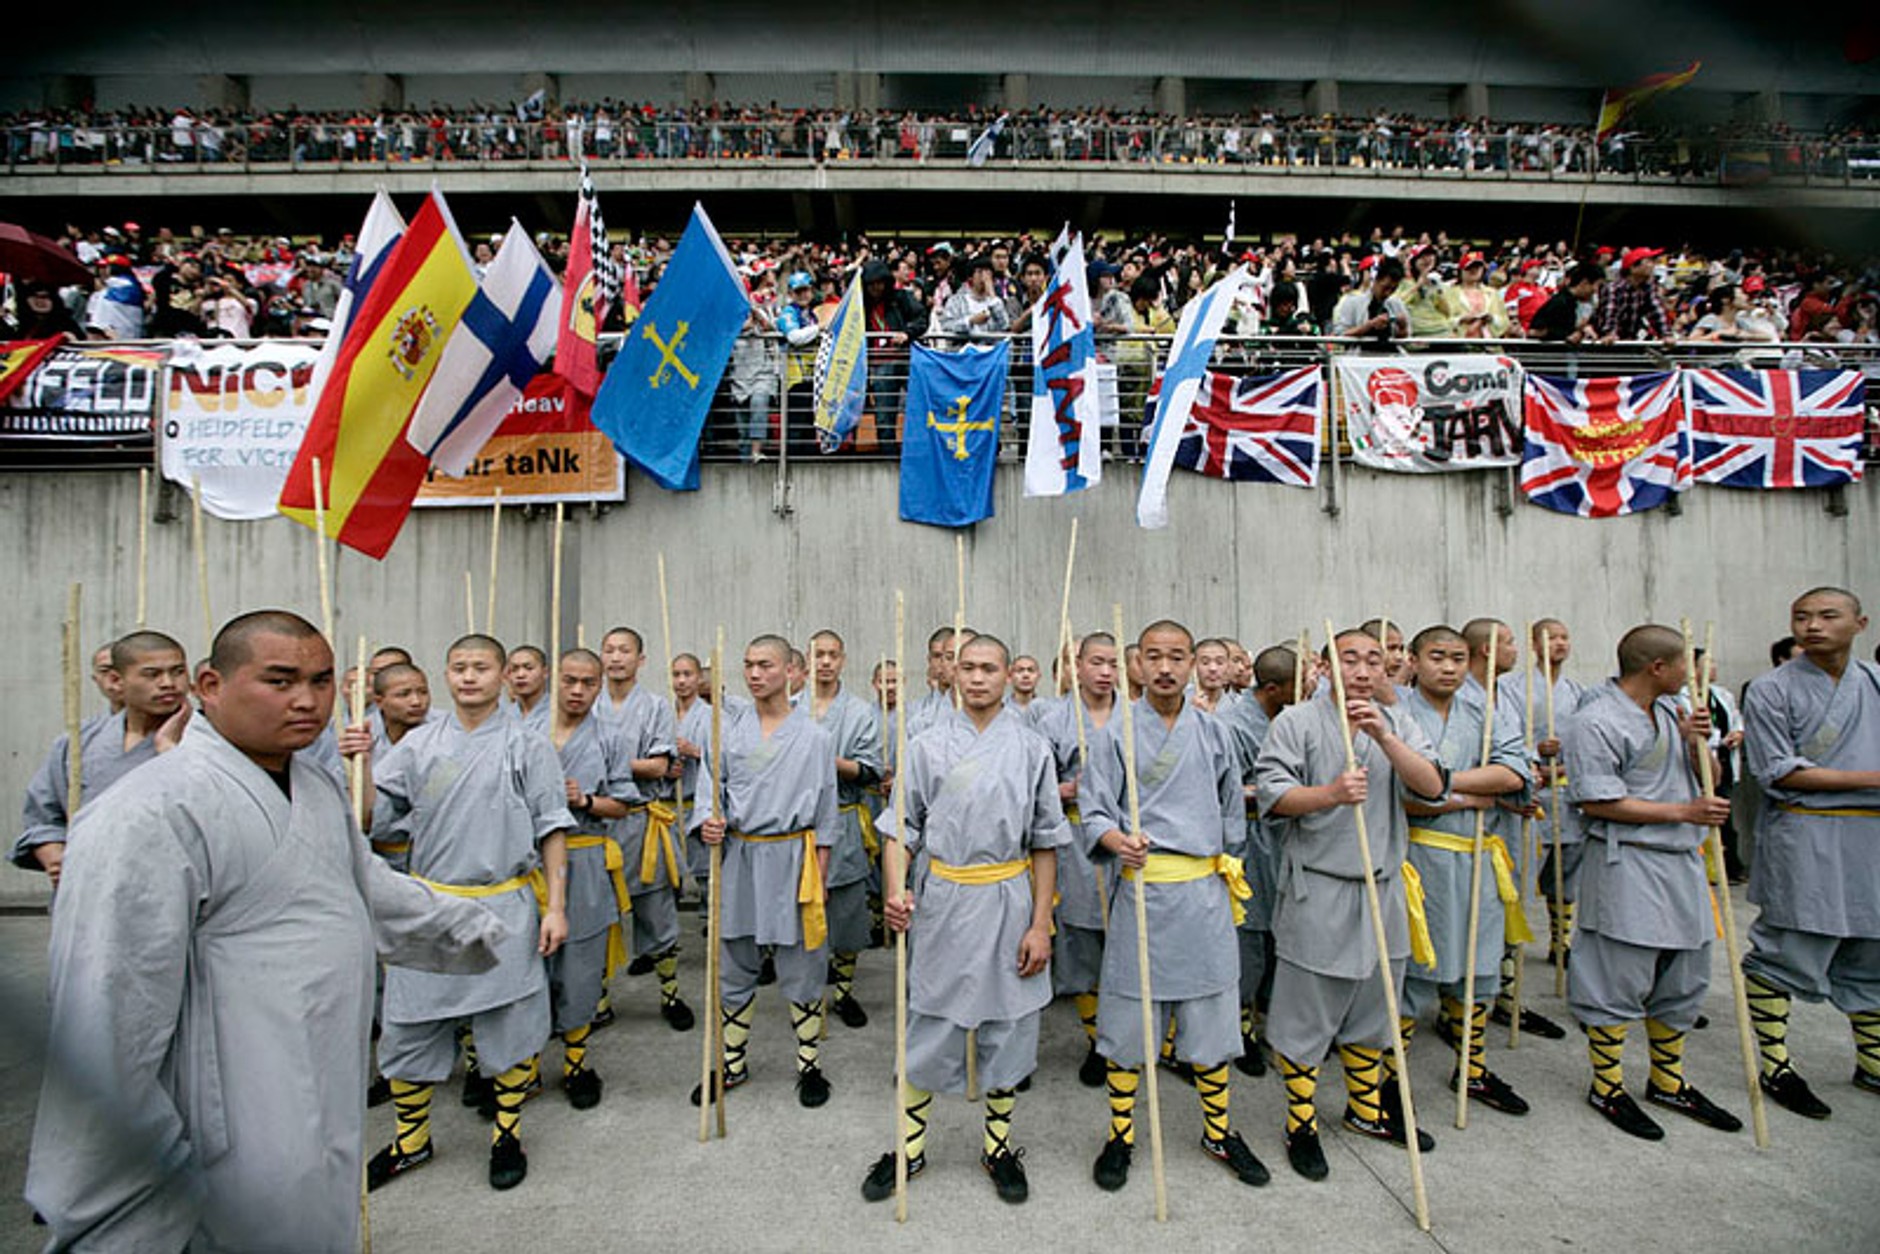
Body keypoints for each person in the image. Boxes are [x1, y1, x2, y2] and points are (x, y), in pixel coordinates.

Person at [26, 611, 504, 1251]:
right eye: (279, 681)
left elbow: (365, 889)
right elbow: (107, 1006)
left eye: (322, 680)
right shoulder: (148, 811)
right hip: (220, 1098)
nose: (306, 700)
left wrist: (478, 929)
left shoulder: (314, 783)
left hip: (319, 1070)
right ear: (210, 686)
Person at [358, 633, 573, 1193]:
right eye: (458, 667)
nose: (469, 676)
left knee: (509, 1028)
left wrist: (557, 908)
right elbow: (368, 817)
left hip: (505, 904)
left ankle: (506, 1133)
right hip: (429, 907)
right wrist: (356, 762)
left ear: (504, 675)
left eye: (481, 667)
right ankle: (411, 1139)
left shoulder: (528, 746)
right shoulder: (418, 746)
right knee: (408, 1028)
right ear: (446, 675)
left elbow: (553, 828)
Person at [861, 634, 1067, 1205]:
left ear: (1008, 677)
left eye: (988, 668)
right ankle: (910, 1147)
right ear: (952, 674)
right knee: (931, 1021)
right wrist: (897, 892)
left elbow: (1047, 841)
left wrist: (1041, 923)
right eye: (967, 667)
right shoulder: (925, 746)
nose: (977, 678)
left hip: (1008, 897)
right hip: (944, 898)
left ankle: (998, 1147)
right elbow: (900, 831)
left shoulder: (1031, 749)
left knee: (1008, 1025)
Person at [1080, 621, 1267, 1193]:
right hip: (1142, 891)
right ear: (1137, 665)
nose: (1165, 667)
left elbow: (1232, 817)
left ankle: (1218, 1130)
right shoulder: (1116, 735)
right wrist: (1117, 842)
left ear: (1192, 664)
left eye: (1176, 656)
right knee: (1131, 1019)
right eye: (1153, 656)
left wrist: (1214, 860)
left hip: (1203, 893)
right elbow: (1094, 811)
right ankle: (1121, 1134)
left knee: (1211, 1015)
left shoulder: (1213, 734)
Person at [1255, 627, 1446, 1182]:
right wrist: (1330, 795)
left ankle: (1366, 1111)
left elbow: (1431, 785)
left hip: (1382, 884)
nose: (1362, 671)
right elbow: (1273, 795)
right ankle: (1301, 1122)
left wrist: (1386, 739)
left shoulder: (1398, 722)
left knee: (1375, 1005)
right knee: (1306, 1012)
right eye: (1349, 660)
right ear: (1322, 666)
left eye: (1372, 661)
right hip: (1321, 884)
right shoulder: (1296, 721)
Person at [1563, 625, 1742, 1140]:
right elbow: (1596, 800)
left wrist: (1696, 744)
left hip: (1682, 860)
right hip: (1628, 861)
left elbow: (1707, 776)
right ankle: (1608, 1085)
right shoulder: (1595, 720)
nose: (1695, 674)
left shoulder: (1672, 712)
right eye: (1687, 664)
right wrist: (1681, 810)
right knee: (1618, 974)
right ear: (1657, 668)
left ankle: (1667, 1079)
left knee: (1683, 975)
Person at [1739, 587, 1880, 1119]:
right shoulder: (1772, 690)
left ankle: (1872, 1061)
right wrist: (1871, 780)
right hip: (1807, 833)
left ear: (1860, 623)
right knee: (1791, 948)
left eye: (1827, 616)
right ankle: (1775, 1062)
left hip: (1871, 838)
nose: (1813, 626)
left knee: (1871, 950)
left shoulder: (1875, 684)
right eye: (1802, 617)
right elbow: (1780, 770)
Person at [693, 635, 841, 1109]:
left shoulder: (815, 737)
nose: (755, 674)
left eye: (765, 665)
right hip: (741, 855)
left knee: (803, 960)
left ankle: (809, 1062)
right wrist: (708, 824)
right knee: (734, 956)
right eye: (748, 665)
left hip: (795, 859)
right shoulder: (725, 732)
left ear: (791, 672)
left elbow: (826, 814)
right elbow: (707, 796)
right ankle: (732, 1062)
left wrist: (819, 877)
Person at [1397, 626, 1532, 1116]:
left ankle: (1471, 1069)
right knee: (1414, 968)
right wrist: (1474, 793)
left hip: (1478, 855)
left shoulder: (1487, 711)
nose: (1449, 667)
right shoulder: (1397, 714)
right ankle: (1393, 1078)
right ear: (1414, 660)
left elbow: (1515, 774)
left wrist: (1443, 782)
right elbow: (1404, 793)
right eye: (1437, 656)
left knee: (1478, 965)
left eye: (1457, 658)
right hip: (1419, 857)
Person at [14, 630, 192, 886]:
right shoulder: (78, 741)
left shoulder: (209, 737)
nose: (168, 683)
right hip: (87, 883)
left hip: (168, 884)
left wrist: (170, 751)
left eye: (177, 672)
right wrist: (54, 855)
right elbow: (43, 814)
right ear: (116, 680)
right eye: (152, 674)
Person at [542, 648, 636, 1110]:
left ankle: (577, 1062)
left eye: (588, 683)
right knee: (527, 963)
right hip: (528, 865)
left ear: (600, 686)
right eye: (569, 681)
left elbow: (624, 803)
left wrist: (585, 801)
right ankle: (518, 1066)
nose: (577, 691)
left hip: (585, 857)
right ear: (552, 679)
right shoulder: (522, 733)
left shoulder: (611, 738)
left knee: (581, 964)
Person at [1036, 631, 1121, 1086]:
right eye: (1096, 663)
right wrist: (1066, 789)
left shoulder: (1136, 717)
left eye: (1113, 663)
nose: (1105, 672)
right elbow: (1034, 785)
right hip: (1075, 837)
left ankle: (1133, 1040)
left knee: (1127, 942)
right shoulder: (1053, 720)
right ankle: (1097, 1041)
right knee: (1085, 940)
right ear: (1077, 666)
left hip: (1128, 841)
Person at [1221, 643, 1309, 1077]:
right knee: (1250, 937)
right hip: (1250, 839)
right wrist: (1273, 791)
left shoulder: (1294, 720)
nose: (1308, 688)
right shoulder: (1232, 725)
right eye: (1299, 683)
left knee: (1285, 931)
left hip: (1289, 839)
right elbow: (1220, 788)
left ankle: (1277, 1020)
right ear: (1273, 688)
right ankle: (1240, 1029)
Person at [596, 627, 690, 1031]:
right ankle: (598, 1000)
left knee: (657, 913)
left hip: (640, 821)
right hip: (594, 824)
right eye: (609, 650)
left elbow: (657, 766)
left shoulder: (654, 707)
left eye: (625, 650)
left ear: (640, 659)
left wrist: (600, 762)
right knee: (596, 915)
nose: (616, 657)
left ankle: (669, 993)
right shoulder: (585, 705)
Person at [806, 629, 884, 1029]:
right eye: (819, 654)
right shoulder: (789, 706)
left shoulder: (859, 713)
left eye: (832, 655)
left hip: (844, 818)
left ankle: (843, 991)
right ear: (807, 657)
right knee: (805, 911)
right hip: (800, 828)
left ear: (843, 660)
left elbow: (870, 769)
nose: (825, 662)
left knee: (848, 912)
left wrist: (830, 759)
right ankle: (809, 994)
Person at [1593, 247, 1673, 342]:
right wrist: (1609, 333)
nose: (1652, 266)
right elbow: (1610, 312)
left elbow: (1656, 311)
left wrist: (1666, 334)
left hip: (1630, 338)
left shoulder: (1648, 288)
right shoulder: (1613, 288)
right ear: (1633, 267)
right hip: (1604, 340)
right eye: (1648, 262)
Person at [1332, 256, 1410, 348]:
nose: (1388, 293)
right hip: (1358, 358)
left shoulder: (1397, 304)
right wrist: (1368, 326)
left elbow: (1404, 340)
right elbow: (1340, 336)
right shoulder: (1351, 301)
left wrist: (1402, 327)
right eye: (1385, 288)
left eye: (1393, 289)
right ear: (1375, 279)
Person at [1528, 264, 1602, 344]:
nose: (1595, 290)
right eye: (1597, 285)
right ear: (1584, 283)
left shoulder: (1579, 304)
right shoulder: (1559, 303)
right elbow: (1536, 331)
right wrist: (1566, 335)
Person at [503, 645, 550, 727]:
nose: (520, 675)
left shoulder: (560, 712)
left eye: (529, 668)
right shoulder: (502, 715)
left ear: (545, 672)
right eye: (514, 669)